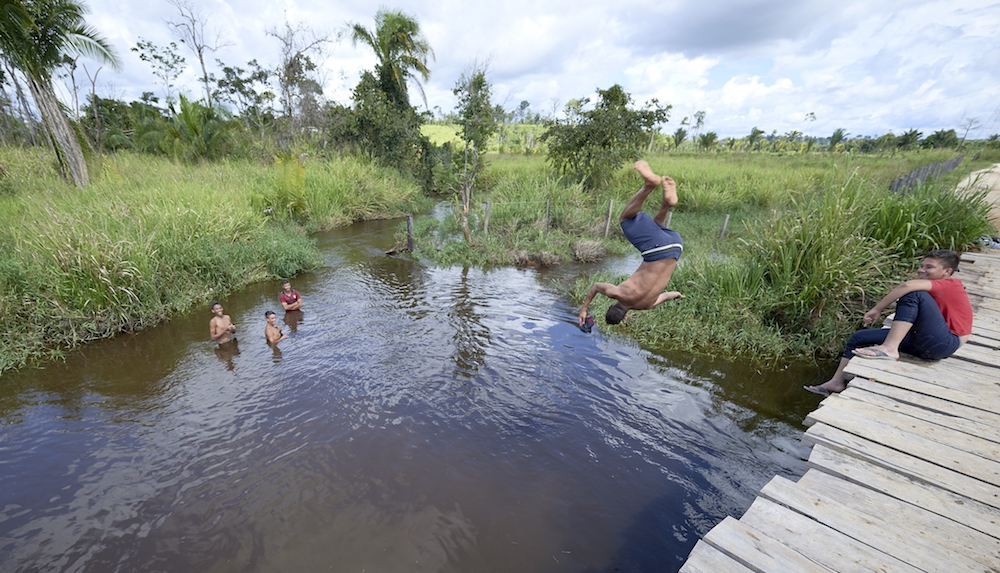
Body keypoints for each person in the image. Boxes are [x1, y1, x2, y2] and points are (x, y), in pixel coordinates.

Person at [804, 250, 973, 397]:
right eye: (921, 266)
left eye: (929, 267)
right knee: (858, 337)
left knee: (913, 294)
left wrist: (877, 309)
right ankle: (836, 382)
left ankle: (890, 348)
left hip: (946, 343)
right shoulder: (936, 286)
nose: (921, 270)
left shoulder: (950, 285)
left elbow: (908, 285)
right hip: (926, 341)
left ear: (947, 271)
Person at [578, 160, 685, 328]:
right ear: (611, 305)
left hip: (676, 247)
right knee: (625, 219)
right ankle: (649, 185)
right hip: (656, 249)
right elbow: (596, 287)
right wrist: (584, 309)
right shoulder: (618, 293)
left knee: (656, 226)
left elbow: (668, 295)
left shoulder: (647, 305)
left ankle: (666, 204)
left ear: (625, 317)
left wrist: (678, 295)